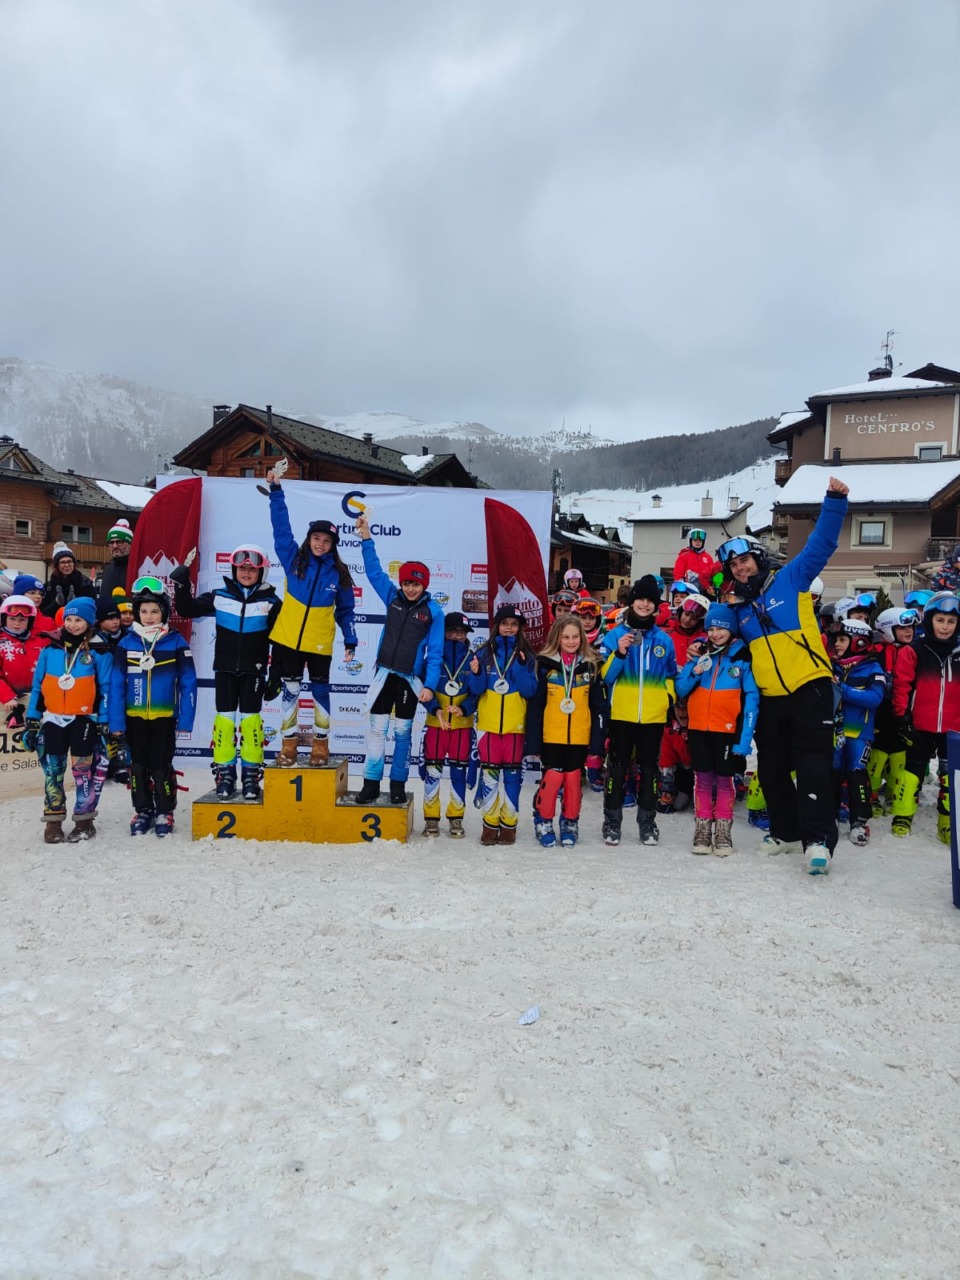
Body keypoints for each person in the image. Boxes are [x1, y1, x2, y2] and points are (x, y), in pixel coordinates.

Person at [715, 475, 848, 876]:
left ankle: (818, 840)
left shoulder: (791, 579)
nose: (740, 569)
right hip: (772, 696)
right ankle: (787, 833)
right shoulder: (739, 609)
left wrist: (835, 501)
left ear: (757, 558)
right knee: (770, 769)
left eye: (745, 561)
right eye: (734, 566)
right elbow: (722, 636)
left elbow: (821, 544)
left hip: (811, 688)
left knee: (811, 767)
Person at [171, 543, 281, 800]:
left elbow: (281, 642)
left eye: (252, 570)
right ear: (233, 569)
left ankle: (251, 776)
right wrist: (181, 584)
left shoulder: (271, 601)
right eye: (241, 568)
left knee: (251, 722)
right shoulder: (220, 595)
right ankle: (225, 774)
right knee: (225, 721)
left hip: (254, 671)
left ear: (261, 573)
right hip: (225, 669)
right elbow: (188, 609)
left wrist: (275, 675)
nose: (246, 573)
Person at [266, 465, 358, 766]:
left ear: (333, 546)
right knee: (290, 690)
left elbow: (346, 610)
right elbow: (281, 529)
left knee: (320, 690)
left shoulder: (340, 573)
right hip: (288, 638)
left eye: (327, 541)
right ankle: (289, 744)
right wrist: (276, 493)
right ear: (310, 539)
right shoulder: (294, 558)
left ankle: (321, 744)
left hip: (319, 641)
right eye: (317, 538)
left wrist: (351, 639)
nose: (321, 544)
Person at [355, 513, 445, 805]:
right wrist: (366, 538)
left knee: (403, 734)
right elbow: (373, 572)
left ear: (424, 586)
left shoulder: (433, 612)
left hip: (409, 680)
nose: (410, 588)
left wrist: (429, 685)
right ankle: (370, 783)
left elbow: (435, 653)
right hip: (383, 675)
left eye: (415, 585)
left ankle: (397, 784)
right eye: (406, 583)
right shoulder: (392, 598)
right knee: (377, 731)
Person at [109, 576, 198, 837]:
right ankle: (143, 810)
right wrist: (116, 720)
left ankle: (164, 811)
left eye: (155, 611)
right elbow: (116, 683)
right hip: (134, 716)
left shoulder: (175, 642)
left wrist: (186, 718)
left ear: (164, 612)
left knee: (160, 766)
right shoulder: (127, 643)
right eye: (144, 611)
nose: (149, 616)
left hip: (164, 716)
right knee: (137, 766)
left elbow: (188, 682)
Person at [24, 597, 113, 844]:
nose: (73, 625)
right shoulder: (50, 648)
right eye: (69, 619)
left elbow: (106, 688)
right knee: (53, 770)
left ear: (89, 622)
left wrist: (104, 720)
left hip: (84, 718)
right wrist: (32, 717)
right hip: (53, 718)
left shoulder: (100, 651)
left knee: (83, 770)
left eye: (79, 620)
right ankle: (53, 822)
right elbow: (37, 686)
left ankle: (84, 820)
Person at [599, 575, 678, 847]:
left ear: (656, 606)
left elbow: (670, 675)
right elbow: (606, 677)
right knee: (618, 770)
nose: (645, 605)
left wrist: (667, 698)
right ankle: (612, 820)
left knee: (649, 771)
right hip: (622, 714)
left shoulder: (664, 640)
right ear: (631, 603)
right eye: (640, 599)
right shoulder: (614, 635)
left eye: (650, 601)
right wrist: (619, 654)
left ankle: (647, 822)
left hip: (653, 717)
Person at [675, 602, 758, 855]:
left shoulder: (742, 659)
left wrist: (744, 741)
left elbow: (752, 700)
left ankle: (723, 830)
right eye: (710, 629)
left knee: (724, 781)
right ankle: (702, 828)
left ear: (731, 630)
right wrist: (695, 670)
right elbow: (680, 689)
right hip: (700, 729)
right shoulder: (701, 654)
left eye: (721, 629)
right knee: (702, 780)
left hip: (727, 731)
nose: (714, 634)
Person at [526, 613, 604, 848]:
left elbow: (599, 707)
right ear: (557, 638)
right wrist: (534, 742)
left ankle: (570, 821)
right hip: (552, 735)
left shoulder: (591, 665)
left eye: (575, 637)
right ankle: (544, 820)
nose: (570, 641)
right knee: (552, 777)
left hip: (580, 736)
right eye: (565, 637)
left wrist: (597, 743)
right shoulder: (544, 664)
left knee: (573, 779)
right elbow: (536, 707)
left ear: (582, 638)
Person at [465, 604, 539, 845]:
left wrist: (518, 666)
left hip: (515, 727)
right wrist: (476, 674)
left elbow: (529, 690)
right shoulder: (484, 653)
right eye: (505, 623)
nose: (509, 628)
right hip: (488, 726)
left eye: (514, 624)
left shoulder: (527, 655)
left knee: (512, 779)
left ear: (520, 629)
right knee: (489, 777)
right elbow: (476, 691)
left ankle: (509, 826)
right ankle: (489, 825)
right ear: (497, 626)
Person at [891, 592, 960, 843]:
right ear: (930, 620)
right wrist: (902, 718)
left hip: (953, 728)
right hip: (920, 723)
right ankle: (902, 814)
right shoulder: (915, 650)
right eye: (940, 620)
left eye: (951, 622)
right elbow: (902, 686)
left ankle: (948, 821)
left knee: (950, 774)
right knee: (913, 770)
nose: (945, 627)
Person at [828, 618, 885, 846]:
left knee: (856, 775)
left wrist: (843, 689)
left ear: (859, 642)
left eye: (843, 640)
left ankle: (859, 821)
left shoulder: (873, 668)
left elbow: (875, 698)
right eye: (837, 640)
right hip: (834, 731)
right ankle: (828, 815)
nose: (838, 644)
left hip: (859, 733)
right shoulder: (833, 664)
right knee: (831, 773)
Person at [421, 611, 478, 837]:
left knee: (458, 772)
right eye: (453, 631)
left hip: (462, 726)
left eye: (462, 632)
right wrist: (435, 708)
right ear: (443, 632)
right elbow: (423, 688)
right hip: (437, 724)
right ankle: (431, 818)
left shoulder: (473, 658)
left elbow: (478, 690)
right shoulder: (434, 657)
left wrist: (464, 709)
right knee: (433, 771)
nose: (458, 635)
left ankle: (456, 817)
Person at [868, 606, 918, 817]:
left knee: (899, 755)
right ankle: (871, 794)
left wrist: (904, 714)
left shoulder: (913, 651)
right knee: (877, 756)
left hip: (903, 712)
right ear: (888, 630)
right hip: (880, 712)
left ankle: (893, 791)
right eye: (903, 628)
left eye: (911, 628)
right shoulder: (877, 652)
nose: (909, 632)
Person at [0, 595, 50, 731]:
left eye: (22, 620)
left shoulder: (41, 642)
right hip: (9, 702)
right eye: (12, 619)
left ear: (30, 621)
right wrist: (6, 696)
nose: (17, 623)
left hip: (37, 700)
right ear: (4, 619)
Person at [40, 544, 96, 617]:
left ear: (74, 564)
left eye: (69, 561)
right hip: (53, 626)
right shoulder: (49, 586)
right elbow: (43, 613)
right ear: (57, 565)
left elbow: (92, 608)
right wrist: (56, 603)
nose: (67, 565)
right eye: (63, 562)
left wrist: (76, 604)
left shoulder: (85, 583)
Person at [674, 529, 720, 597]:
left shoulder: (707, 557)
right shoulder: (684, 556)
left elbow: (712, 572)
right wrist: (682, 590)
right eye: (695, 540)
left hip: (705, 590)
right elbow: (678, 574)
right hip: (689, 590)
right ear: (690, 541)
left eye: (700, 540)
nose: (697, 542)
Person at [98, 518, 134, 601]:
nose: (115, 546)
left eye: (119, 542)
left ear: (130, 544)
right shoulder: (107, 569)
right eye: (111, 542)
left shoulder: (136, 568)